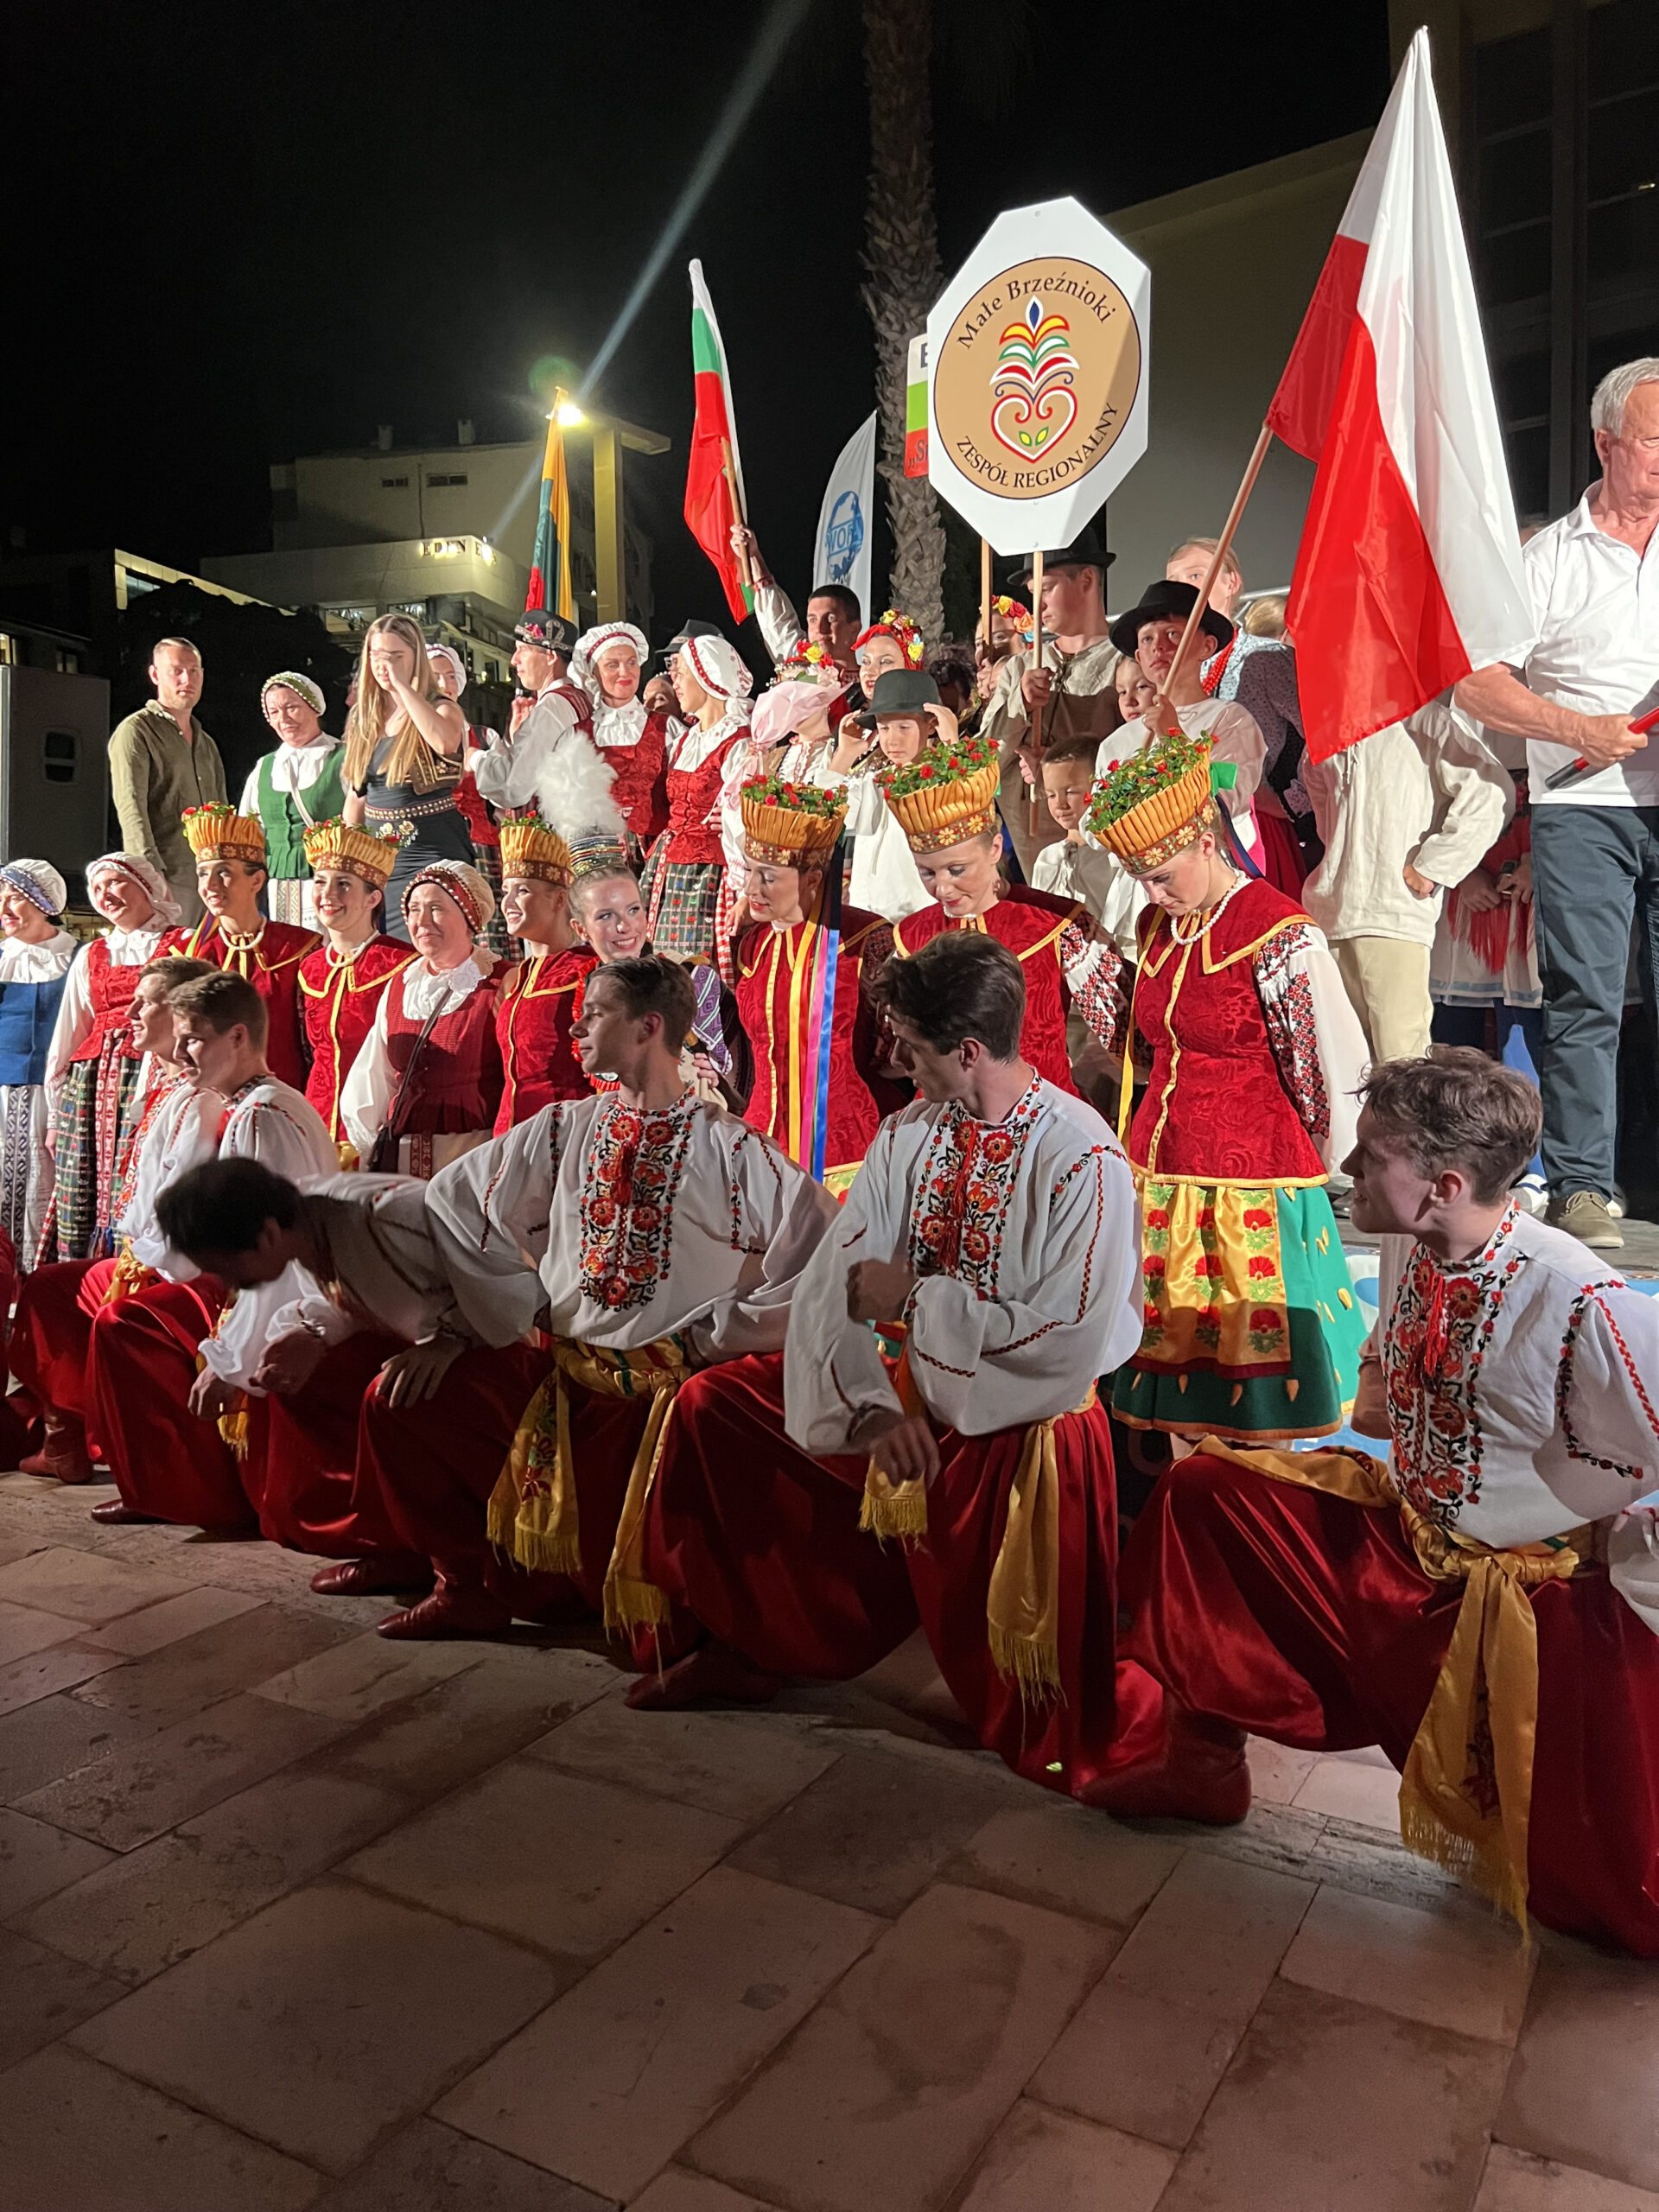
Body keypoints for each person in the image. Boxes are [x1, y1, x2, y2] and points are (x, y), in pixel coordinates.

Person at [1107, 1051, 1659, 1958]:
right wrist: (1382, 1388)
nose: (1348, 1169)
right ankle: (1198, 1763)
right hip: (1403, 1548)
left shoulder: (1581, 1302)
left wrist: (1624, 1548)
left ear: (1445, 1186)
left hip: (1523, 1610)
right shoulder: (1417, 1238)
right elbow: (1387, 1353)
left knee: (1607, 1903)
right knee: (1207, 1494)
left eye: (1372, 1155)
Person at [767, 932, 1163, 1791]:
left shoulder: (1081, 1155)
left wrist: (916, 1301)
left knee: (1048, 1704)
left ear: (970, 1050)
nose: (897, 1060)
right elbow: (838, 1279)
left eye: (913, 1045)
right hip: (933, 1427)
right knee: (972, 1658)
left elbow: (1067, 1331)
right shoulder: (910, 1133)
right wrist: (872, 1404)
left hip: (1036, 1447)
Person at [345, 956, 838, 1640]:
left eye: (595, 1013)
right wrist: (480, 1317)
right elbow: (453, 1205)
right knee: (401, 1400)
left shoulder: (732, 1150)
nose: (576, 1027)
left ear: (648, 1027)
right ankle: (465, 1585)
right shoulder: (563, 1129)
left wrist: (721, 1334)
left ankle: (721, 1642)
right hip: (563, 1383)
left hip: (661, 1403)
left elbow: (828, 1257)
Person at [1087, 732, 1369, 1440]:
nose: (1153, 894)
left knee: (1255, 1379)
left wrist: (1335, 1160)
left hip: (1251, 1186)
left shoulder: (1278, 934)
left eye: (1162, 876)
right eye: (1141, 880)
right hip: (1161, 1172)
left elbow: (1322, 1061)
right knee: (1172, 1382)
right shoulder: (1158, 926)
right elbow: (1148, 1044)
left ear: (1206, 841)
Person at [1456, 357, 1659, 1251]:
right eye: (1654, 441)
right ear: (1605, 443)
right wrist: (1580, 727)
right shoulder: (1545, 558)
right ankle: (1583, 1186)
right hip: (1585, 807)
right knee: (1585, 999)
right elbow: (1476, 681)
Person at [86, 970, 335, 1530]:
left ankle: (193, 1493)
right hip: (250, 1279)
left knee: (127, 1322)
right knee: (126, 1315)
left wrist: (232, 1359)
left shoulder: (264, 1115)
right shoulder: (246, 1104)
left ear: (238, 1037)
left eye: (193, 1040)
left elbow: (275, 1255)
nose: (180, 1055)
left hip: (287, 1293)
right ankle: (168, 1483)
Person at [150, 1157, 469, 1583]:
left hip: (483, 1341)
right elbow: (356, 1296)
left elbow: (497, 1279)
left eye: (229, 1268)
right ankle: (390, 1543)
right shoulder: (306, 1225)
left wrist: (450, 1340)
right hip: (431, 1341)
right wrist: (314, 1335)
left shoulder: (384, 1216)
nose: (232, 1284)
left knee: (387, 1396)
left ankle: (460, 1577)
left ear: (267, 1234)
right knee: (305, 1377)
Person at [9, 954, 219, 1484]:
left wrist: (139, 1258)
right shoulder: (163, 1082)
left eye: (145, 1004)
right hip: (150, 1250)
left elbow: (181, 1204)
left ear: (181, 1015)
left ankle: (87, 1440)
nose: (130, 1014)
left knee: (54, 1292)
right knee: (46, 1285)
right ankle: (66, 1435)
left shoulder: (199, 1094)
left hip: (180, 1265)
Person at [879, 713, 1124, 1094]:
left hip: (1041, 1116)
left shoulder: (1057, 923)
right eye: (927, 872)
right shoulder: (910, 936)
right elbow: (889, 1053)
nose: (942, 888)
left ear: (995, 848)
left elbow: (1128, 1037)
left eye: (957, 870)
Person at [1302, 698, 1512, 1065]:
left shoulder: (1426, 720)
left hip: (1393, 913)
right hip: (1330, 913)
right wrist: (1338, 862)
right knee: (1342, 1059)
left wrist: (1437, 864)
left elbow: (1491, 790)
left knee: (1401, 1057)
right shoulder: (1328, 726)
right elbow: (1322, 803)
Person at [731, 773, 892, 1194]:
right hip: (763, 1143)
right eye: (750, 872)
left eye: (768, 877)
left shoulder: (863, 942)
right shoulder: (752, 947)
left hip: (843, 1150)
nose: (751, 889)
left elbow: (892, 1051)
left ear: (813, 880)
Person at [38, 854, 179, 1263]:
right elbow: (71, 1029)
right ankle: (82, 1274)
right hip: (91, 1081)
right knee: (83, 1183)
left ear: (146, 886)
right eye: (97, 888)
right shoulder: (94, 953)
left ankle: (132, 1269)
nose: (105, 895)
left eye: (115, 882)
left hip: (151, 1073)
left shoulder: (181, 944)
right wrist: (56, 1112)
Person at [1102, 578, 1281, 882]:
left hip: (1209, 875)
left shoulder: (1231, 721)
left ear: (1206, 646)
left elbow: (1227, 801)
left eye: (1173, 634)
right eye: (1147, 639)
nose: (1158, 646)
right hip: (1136, 887)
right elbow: (1097, 824)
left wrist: (1173, 736)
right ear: (1139, 657)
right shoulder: (1117, 743)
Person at [339, 859, 504, 1177]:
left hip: (474, 1163)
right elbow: (374, 1077)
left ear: (469, 917)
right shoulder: (401, 985)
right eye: (414, 909)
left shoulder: (499, 982)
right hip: (401, 1164)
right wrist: (369, 1152)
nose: (422, 921)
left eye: (436, 908)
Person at [1168, 539, 1318, 869]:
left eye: (1195, 576)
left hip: (1255, 829)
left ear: (1231, 582)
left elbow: (1321, 737)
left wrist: (1290, 801)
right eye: (1174, 581)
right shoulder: (1169, 671)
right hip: (1190, 833)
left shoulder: (1263, 658)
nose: (1184, 589)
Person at [979, 527, 1118, 878]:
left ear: (1087, 580)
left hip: (1105, 854)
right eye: (1032, 593)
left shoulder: (1124, 664)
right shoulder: (1019, 667)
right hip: (1033, 857)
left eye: (1047, 589)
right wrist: (1020, 705)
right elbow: (984, 758)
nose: (1037, 604)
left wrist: (1057, 767)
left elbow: (1136, 756)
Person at [167, 806, 318, 1090]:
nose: (210, 884)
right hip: (210, 1101)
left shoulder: (299, 949)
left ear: (257, 880)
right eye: (203, 873)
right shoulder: (188, 953)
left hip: (281, 1097)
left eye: (223, 872)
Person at [340, 614, 471, 939]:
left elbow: (444, 742)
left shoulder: (441, 707)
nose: (384, 665)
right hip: (382, 861)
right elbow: (356, 797)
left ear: (416, 658)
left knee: (431, 943)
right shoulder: (364, 717)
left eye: (395, 656)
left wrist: (402, 686)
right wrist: (346, 861)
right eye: (376, 655)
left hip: (431, 853)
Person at [296, 819, 415, 1161]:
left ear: (373, 898)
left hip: (376, 1131)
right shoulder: (309, 967)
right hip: (315, 1127)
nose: (328, 894)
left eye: (344, 884)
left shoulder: (401, 964)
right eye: (321, 881)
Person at [644, 633, 753, 966]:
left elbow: (745, 821)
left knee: (698, 965)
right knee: (661, 963)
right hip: (667, 866)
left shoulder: (739, 742)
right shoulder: (686, 740)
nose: (675, 682)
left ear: (708, 675)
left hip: (711, 873)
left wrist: (746, 889)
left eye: (682, 673)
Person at [108, 637, 227, 925]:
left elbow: (222, 813)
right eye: (177, 671)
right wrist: (148, 873)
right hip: (167, 876)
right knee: (169, 953)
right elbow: (131, 807)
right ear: (155, 674)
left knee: (209, 953)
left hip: (211, 878)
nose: (187, 679)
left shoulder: (207, 742)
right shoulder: (136, 730)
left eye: (194, 671)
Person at [493, 812, 598, 1128]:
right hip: (510, 1137)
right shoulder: (516, 978)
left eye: (522, 891)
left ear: (559, 899)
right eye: (505, 891)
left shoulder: (589, 969)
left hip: (565, 1135)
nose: (508, 902)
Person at [0, 862, 76, 1261]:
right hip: (1, 1094)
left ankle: (38, 1273)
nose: (4, 909)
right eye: (0, 900)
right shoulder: (2, 958)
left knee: (46, 1184)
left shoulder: (77, 957)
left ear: (43, 902)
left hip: (55, 1095)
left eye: (14, 898)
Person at [820, 669, 936, 924]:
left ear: (931, 724)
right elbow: (824, 814)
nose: (892, 740)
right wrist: (843, 757)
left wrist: (951, 743)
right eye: (884, 728)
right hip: (867, 915)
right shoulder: (874, 781)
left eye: (904, 727)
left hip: (919, 917)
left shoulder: (940, 783)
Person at [238, 672, 346, 927]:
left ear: (315, 707)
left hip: (332, 884)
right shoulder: (265, 767)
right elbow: (249, 829)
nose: (283, 719)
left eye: (292, 708)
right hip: (276, 886)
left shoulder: (342, 759)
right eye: (274, 712)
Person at [428, 642, 513, 963]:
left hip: (482, 848)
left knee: (490, 933)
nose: (445, 685)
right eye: (435, 676)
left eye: (451, 676)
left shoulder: (484, 737)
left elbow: (506, 794)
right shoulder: (408, 739)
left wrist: (479, 765)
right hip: (432, 848)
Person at [470, 610, 597, 823]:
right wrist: (515, 740)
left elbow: (513, 786)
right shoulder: (580, 698)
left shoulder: (551, 707)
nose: (514, 660)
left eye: (523, 650)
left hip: (557, 836)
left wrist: (475, 759)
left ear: (551, 656)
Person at [1033, 735, 1145, 960]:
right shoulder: (1047, 859)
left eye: (1070, 792)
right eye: (1051, 795)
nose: (1060, 804)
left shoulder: (1114, 857)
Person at [570, 621, 671, 858]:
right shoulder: (577, 735)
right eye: (613, 665)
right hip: (598, 853)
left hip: (656, 850)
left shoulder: (667, 728)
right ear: (594, 673)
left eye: (631, 663)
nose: (625, 672)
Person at [730, 526, 861, 689]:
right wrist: (753, 555)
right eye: (812, 620)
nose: (820, 629)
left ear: (854, 629)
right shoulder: (802, 674)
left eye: (831, 619)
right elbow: (777, 625)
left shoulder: (873, 683)